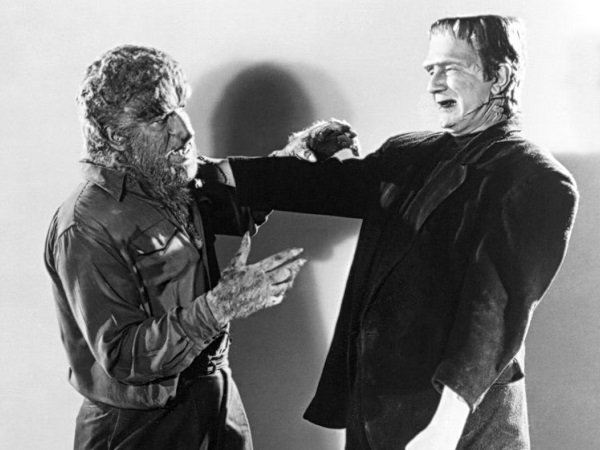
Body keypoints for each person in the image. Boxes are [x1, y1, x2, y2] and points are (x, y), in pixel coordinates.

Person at [200, 15, 579, 449]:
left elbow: (493, 312)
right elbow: (323, 187)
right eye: (430, 69)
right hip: (377, 415)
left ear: (501, 76)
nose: (434, 83)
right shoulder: (408, 152)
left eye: (451, 67)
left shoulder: (537, 179)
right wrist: (213, 172)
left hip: (460, 427)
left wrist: (445, 424)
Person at [44, 45, 307, 450]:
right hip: (140, 428)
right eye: (157, 118)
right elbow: (124, 356)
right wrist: (219, 307)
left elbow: (236, 206)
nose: (184, 130)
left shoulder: (168, 175)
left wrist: (297, 157)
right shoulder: (85, 226)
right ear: (116, 136)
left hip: (216, 401)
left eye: (180, 106)